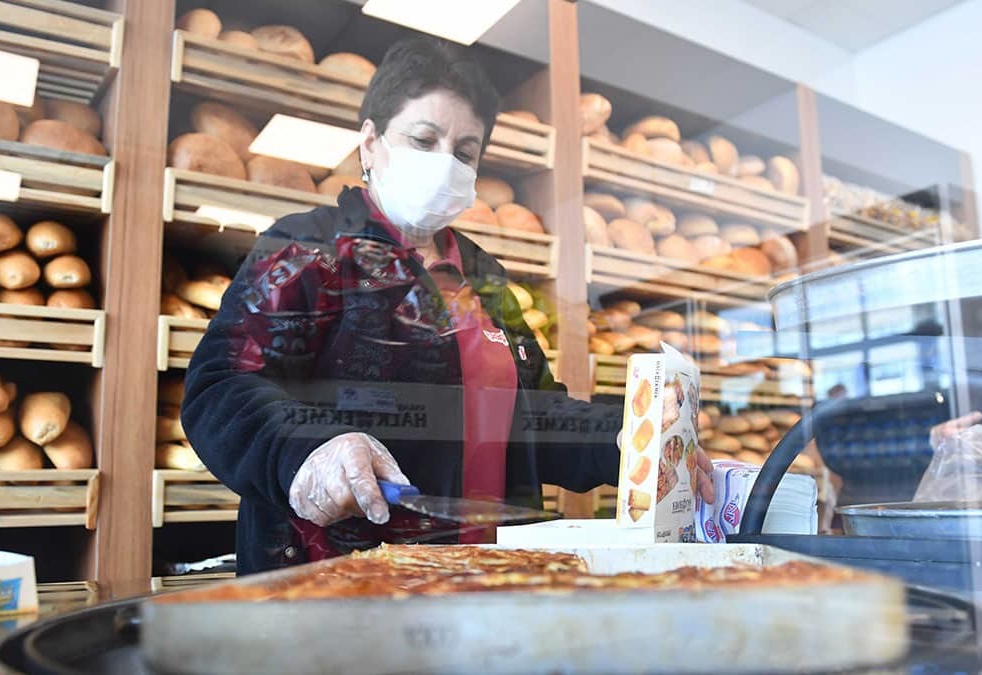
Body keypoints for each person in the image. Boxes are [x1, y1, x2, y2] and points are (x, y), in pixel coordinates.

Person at [182, 37, 717, 575]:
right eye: (423, 138)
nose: (445, 163)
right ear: (370, 144)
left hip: (488, 583)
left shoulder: (481, 277)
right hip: (338, 588)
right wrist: (304, 451)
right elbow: (222, 384)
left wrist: (626, 436)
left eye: (464, 151)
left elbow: (535, 417)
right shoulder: (309, 250)